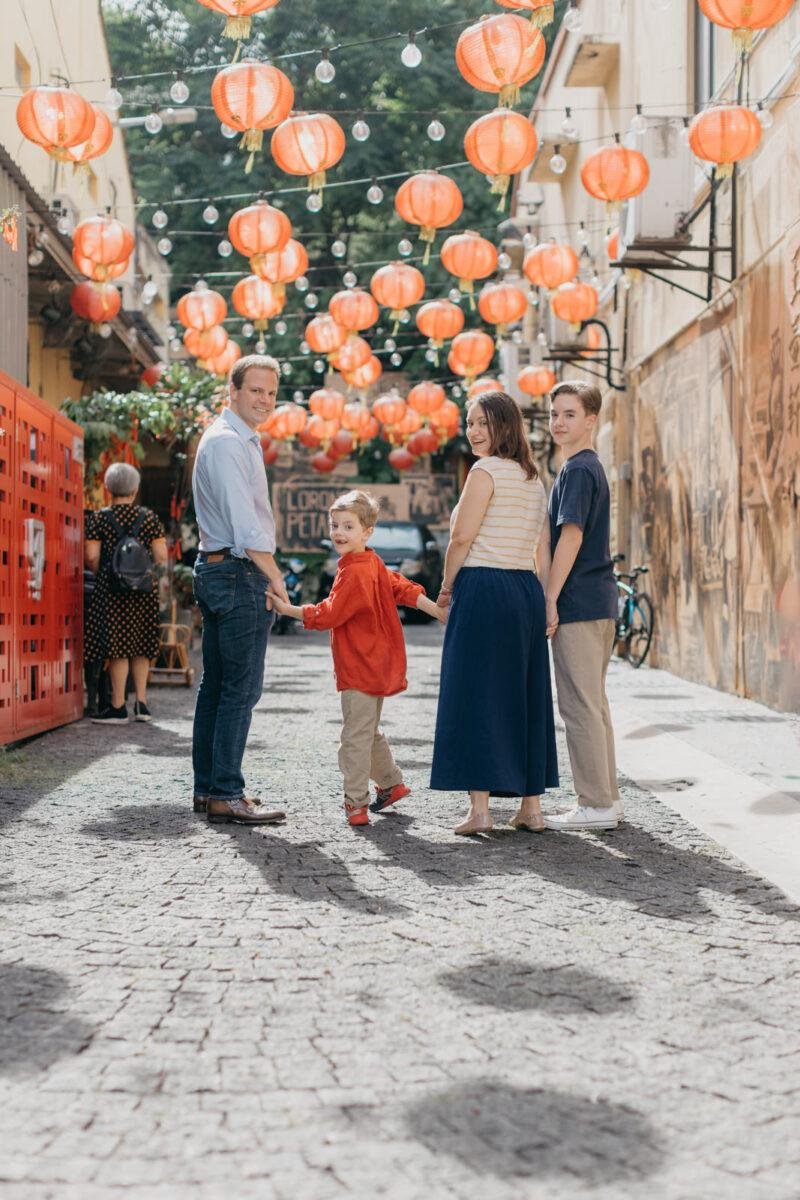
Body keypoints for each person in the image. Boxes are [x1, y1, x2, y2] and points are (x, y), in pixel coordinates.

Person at [269, 490, 445, 827]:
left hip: (359, 665)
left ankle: (356, 803)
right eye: (335, 525)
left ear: (367, 531)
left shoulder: (353, 571)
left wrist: (287, 609)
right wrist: (436, 609)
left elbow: (329, 613)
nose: (338, 533)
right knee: (368, 730)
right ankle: (392, 785)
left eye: (348, 526)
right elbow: (404, 589)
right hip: (378, 663)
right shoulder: (372, 562)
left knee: (355, 735)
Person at [430, 392, 559, 835]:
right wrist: (544, 598)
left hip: (483, 586)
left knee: (476, 694)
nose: (474, 431)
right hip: (523, 590)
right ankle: (531, 808)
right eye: (469, 423)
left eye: (484, 423)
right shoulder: (533, 478)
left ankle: (481, 810)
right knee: (525, 694)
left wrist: (446, 587)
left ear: (506, 426)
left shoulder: (483, 472)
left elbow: (462, 538)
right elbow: (542, 548)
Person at [191, 353, 289, 827]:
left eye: (271, 392)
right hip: (236, 571)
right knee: (239, 690)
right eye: (255, 390)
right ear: (232, 391)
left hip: (219, 568)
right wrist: (276, 577)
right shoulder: (229, 443)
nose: (264, 399)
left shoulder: (236, 440)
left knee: (216, 687)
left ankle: (210, 789)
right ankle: (226, 792)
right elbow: (246, 527)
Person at [543, 381, 622, 831]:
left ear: (591, 420)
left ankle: (595, 803)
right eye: (555, 414)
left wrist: (550, 597)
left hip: (579, 600)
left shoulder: (576, 470)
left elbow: (569, 535)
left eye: (569, 414)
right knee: (594, 704)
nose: (558, 422)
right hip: (599, 600)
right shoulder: (588, 467)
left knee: (579, 706)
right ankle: (606, 798)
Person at [85, 463, 168, 724]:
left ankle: (118, 707)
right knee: (142, 645)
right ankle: (142, 705)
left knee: (117, 646)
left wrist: (108, 572)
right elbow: (161, 556)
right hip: (143, 591)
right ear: (135, 489)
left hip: (111, 591)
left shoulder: (99, 518)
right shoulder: (149, 518)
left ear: (108, 488)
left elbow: (91, 556)